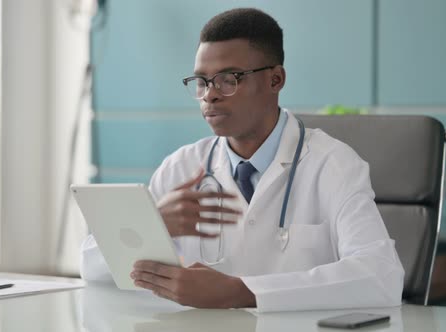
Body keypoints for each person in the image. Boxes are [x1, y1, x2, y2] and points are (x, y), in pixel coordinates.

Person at [81, 8, 404, 312]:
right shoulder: (182, 166)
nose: (210, 94)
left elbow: (381, 277)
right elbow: (93, 271)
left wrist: (242, 292)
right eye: (202, 81)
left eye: (229, 78)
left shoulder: (333, 163)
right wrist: (152, 222)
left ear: (275, 80)